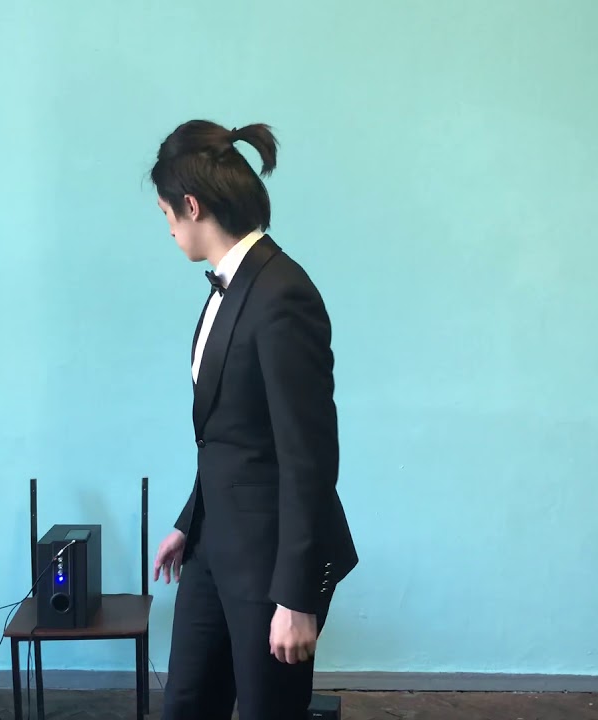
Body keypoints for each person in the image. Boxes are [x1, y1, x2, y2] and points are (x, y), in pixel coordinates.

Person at [148, 119, 358, 720]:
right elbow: (231, 434)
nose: (168, 229)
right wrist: (190, 520)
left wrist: (297, 598)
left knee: (270, 711)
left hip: (269, 561)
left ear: (191, 206)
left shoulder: (282, 294)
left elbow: (308, 457)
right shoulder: (230, 287)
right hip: (212, 545)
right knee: (187, 704)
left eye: (166, 214)